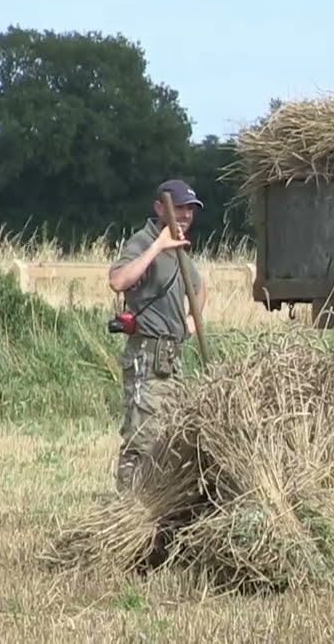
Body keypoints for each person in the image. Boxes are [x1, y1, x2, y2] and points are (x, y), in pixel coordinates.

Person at [107, 178, 206, 491]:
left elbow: (200, 290)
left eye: (190, 209)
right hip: (147, 356)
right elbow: (119, 280)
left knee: (168, 435)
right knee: (143, 436)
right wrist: (157, 247)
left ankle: (155, 500)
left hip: (172, 357)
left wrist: (189, 323)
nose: (186, 215)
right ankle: (129, 510)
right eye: (179, 208)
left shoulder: (180, 249)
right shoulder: (144, 240)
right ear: (159, 208)